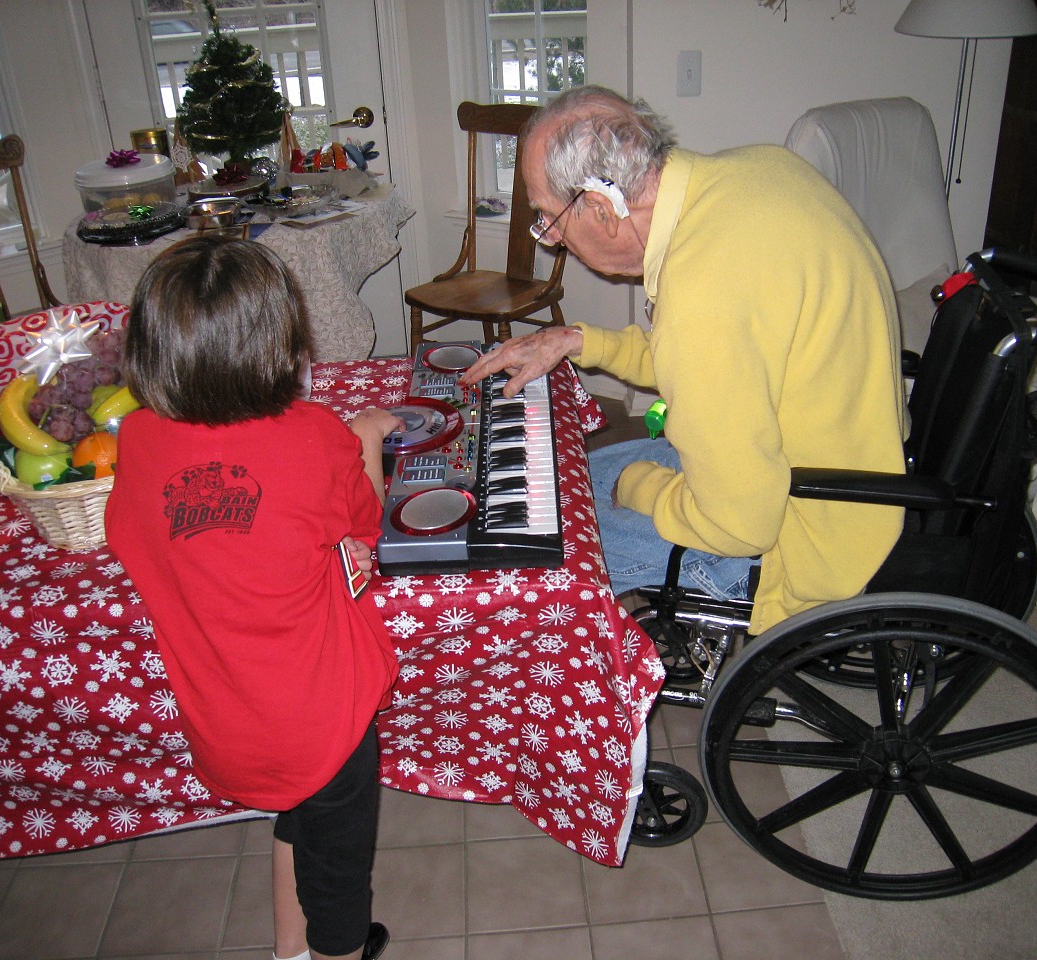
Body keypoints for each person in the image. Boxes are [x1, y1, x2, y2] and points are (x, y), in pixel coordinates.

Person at [463, 85, 907, 636]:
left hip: (802, 532)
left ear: (601, 208)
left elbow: (738, 525)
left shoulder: (703, 292)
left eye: (550, 221)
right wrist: (576, 339)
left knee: (529, 549)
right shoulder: (756, 170)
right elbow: (706, 359)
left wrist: (639, 486)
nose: (554, 242)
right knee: (561, 478)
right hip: (831, 461)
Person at [105, 235, 401, 960]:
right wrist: (364, 438)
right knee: (338, 875)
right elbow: (367, 522)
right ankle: (334, 949)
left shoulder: (137, 439)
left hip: (227, 719)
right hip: (322, 720)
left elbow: (131, 538)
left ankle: (289, 952)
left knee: (294, 821)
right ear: (278, 342)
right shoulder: (314, 435)